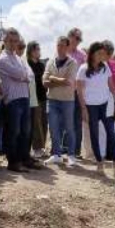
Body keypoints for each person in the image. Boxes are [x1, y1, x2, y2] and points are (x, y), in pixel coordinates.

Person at [77, 42, 115, 175]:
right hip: (91, 106)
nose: (102, 55)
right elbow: (79, 90)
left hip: (105, 104)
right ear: (93, 53)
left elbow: (111, 84)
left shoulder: (105, 67)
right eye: (100, 53)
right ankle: (99, 163)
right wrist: (83, 109)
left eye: (103, 53)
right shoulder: (83, 69)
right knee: (94, 134)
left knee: (111, 133)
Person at [0, 29, 36, 173]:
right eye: (11, 41)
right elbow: (20, 74)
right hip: (12, 99)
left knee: (25, 131)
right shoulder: (2, 59)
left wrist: (23, 76)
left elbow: (30, 75)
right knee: (13, 131)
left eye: (16, 41)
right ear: (5, 41)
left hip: (24, 97)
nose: (14, 44)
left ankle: (24, 158)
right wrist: (23, 76)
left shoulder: (19, 58)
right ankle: (13, 161)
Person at [43, 36, 80, 167]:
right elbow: (44, 82)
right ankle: (56, 154)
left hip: (67, 101)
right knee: (53, 128)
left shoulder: (73, 63)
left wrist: (52, 78)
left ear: (68, 47)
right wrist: (59, 80)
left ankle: (71, 155)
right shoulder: (50, 62)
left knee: (69, 128)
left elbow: (69, 81)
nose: (60, 48)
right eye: (59, 45)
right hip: (52, 100)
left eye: (63, 45)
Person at [66, 27, 87, 159]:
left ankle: (76, 151)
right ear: (70, 37)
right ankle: (64, 150)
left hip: (78, 92)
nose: (78, 41)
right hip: (64, 92)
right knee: (65, 122)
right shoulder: (61, 52)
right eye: (77, 38)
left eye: (80, 39)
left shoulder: (82, 55)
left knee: (77, 122)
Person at [26, 42, 48, 158]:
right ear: (31, 51)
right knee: (36, 122)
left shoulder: (41, 64)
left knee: (44, 122)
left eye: (39, 49)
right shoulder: (27, 64)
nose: (38, 51)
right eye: (36, 49)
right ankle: (37, 148)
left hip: (43, 95)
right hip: (33, 96)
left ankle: (42, 147)